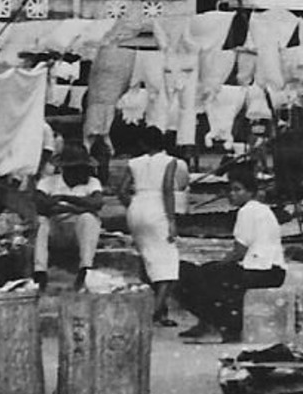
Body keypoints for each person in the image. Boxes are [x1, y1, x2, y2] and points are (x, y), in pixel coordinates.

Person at [176, 163, 285, 343]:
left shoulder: (247, 211)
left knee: (195, 277)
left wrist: (217, 264)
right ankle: (210, 323)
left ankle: (221, 326)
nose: (232, 194)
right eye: (231, 190)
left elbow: (238, 252)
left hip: (261, 271)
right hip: (273, 270)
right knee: (209, 273)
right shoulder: (262, 209)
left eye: (238, 190)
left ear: (250, 192)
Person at [120, 135, 190, 325]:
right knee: (169, 263)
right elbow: (168, 188)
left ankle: (160, 311)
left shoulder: (134, 162)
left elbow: (122, 190)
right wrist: (172, 219)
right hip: (157, 208)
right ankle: (155, 310)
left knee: (147, 258)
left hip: (137, 207)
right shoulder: (170, 161)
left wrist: (134, 204)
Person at [33, 145, 105, 290]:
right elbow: (41, 205)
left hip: (78, 232)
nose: (83, 172)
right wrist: (78, 206)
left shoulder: (92, 182)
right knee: (41, 222)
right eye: (78, 168)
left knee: (88, 218)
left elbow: (97, 203)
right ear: (66, 169)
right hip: (56, 230)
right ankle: (40, 271)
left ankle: (85, 268)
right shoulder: (49, 182)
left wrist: (65, 200)